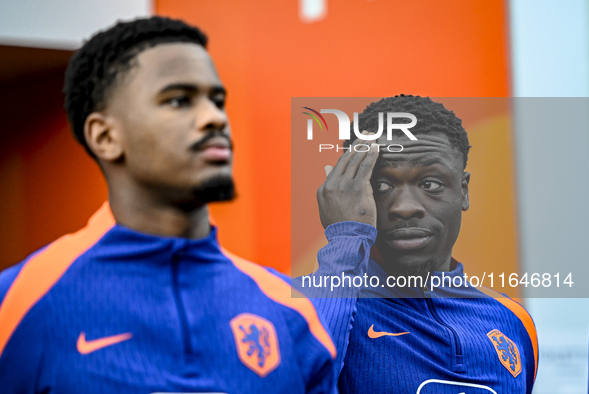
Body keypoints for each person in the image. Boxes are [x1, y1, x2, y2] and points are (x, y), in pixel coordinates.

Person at [0, 16, 337, 393]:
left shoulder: (290, 312)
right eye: (179, 100)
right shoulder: (19, 303)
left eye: (217, 100)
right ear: (106, 136)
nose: (214, 118)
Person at [298, 96, 538, 393]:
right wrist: (346, 235)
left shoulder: (513, 320)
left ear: (463, 191)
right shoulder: (304, 305)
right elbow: (302, 378)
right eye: (382, 185)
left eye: (430, 184)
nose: (405, 207)